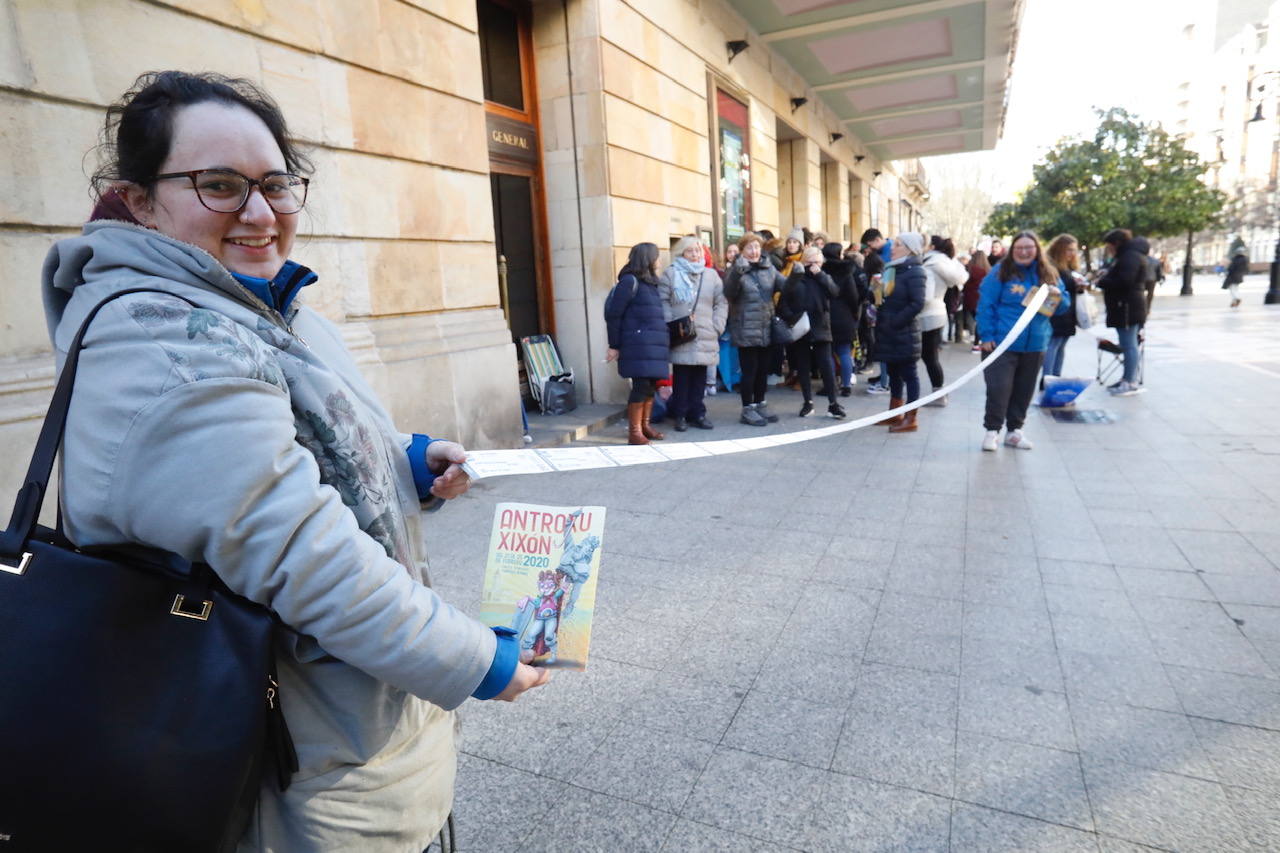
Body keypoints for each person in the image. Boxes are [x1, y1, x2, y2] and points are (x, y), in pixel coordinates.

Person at [46, 71, 548, 851]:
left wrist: (406, 459)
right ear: (139, 200)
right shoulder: (167, 342)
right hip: (292, 761)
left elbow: (288, 453)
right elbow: (306, 558)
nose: (259, 212)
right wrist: (477, 660)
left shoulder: (262, 303)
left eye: (276, 184)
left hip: (353, 731)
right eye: (219, 185)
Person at [976, 230, 1071, 451]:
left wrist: (1058, 295)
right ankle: (992, 430)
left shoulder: (1048, 273)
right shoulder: (1001, 272)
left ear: (1037, 250)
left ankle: (1015, 430)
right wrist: (987, 335)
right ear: (1012, 251)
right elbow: (985, 304)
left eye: (1029, 248)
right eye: (1019, 248)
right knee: (999, 388)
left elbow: (1062, 308)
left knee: (1024, 389)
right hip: (1002, 343)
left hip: (1035, 344)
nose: (1024, 252)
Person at [659, 236, 727, 431]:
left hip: (706, 331)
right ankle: (680, 414)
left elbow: (721, 302)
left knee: (700, 377)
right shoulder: (670, 274)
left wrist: (717, 325)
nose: (696, 254)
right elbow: (663, 301)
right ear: (682, 253)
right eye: (691, 251)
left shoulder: (711, 275)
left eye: (698, 250)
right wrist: (672, 322)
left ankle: (697, 413)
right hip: (681, 332)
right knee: (681, 376)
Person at [606, 243, 671, 444]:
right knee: (641, 386)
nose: (659, 261)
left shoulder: (651, 283)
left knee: (651, 385)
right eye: (657, 257)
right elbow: (614, 315)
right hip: (638, 345)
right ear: (648, 259)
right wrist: (614, 345)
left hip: (652, 345)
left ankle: (645, 426)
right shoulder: (629, 282)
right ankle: (634, 432)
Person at [725, 232, 786, 425]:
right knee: (749, 371)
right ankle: (747, 409)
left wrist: (798, 276)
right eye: (750, 248)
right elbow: (729, 293)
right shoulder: (736, 269)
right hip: (745, 327)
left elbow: (785, 286)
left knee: (763, 370)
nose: (754, 251)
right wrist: (738, 271)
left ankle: (761, 403)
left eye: (757, 247)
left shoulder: (768, 267)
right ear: (742, 251)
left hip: (766, 326)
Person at [780, 246, 845, 418]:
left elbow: (835, 292)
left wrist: (821, 275)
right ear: (803, 262)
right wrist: (792, 318)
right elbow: (783, 302)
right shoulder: (795, 279)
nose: (813, 266)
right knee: (803, 366)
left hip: (821, 327)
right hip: (801, 328)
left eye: (816, 262)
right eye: (809, 262)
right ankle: (808, 402)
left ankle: (833, 403)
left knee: (826, 366)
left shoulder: (824, 278)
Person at [872, 232, 928, 433]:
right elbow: (887, 297)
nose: (892, 248)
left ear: (909, 248)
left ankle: (911, 418)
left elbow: (917, 303)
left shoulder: (916, 271)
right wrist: (876, 290)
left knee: (909, 374)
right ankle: (894, 413)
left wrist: (895, 322)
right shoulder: (893, 268)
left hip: (903, 332)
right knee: (894, 372)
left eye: (897, 244)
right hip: (889, 330)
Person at [1096, 228, 1149, 396]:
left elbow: (1125, 281)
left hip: (1126, 306)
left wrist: (1103, 281)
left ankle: (1129, 381)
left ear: (1116, 243)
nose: (1109, 250)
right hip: (1128, 305)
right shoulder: (1130, 255)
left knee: (1129, 345)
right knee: (1129, 344)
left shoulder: (1129, 256)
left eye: (1109, 246)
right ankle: (1127, 379)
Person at [919, 235, 968, 406]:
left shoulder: (933, 264)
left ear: (931, 247)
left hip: (928, 313)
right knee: (929, 355)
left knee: (929, 356)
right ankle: (938, 393)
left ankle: (939, 393)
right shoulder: (944, 261)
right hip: (936, 311)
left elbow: (926, 294)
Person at [1043, 234, 1084, 381]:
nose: (1072, 254)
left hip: (1068, 313)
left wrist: (1079, 286)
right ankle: (1047, 380)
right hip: (1056, 313)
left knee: (1060, 347)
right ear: (1060, 250)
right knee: (1053, 346)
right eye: (1069, 250)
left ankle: (1055, 379)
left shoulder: (1067, 267)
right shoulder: (1052, 267)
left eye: (1074, 250)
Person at [823, 242, 862, 397]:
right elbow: (854, 297)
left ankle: (831, 385)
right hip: (844, 316)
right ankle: (846, 386)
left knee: (829, 354)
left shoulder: (822, 271)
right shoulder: (846, 271)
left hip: (826, 316)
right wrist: (854, 314)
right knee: (845, 352)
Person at [962, 250, 989, 349]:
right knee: (980, 321)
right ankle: (976, 343)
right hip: (982, 300)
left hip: (969, 300)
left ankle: (975, 340)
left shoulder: (969, 270)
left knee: (975, 319)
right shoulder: (987, 271)